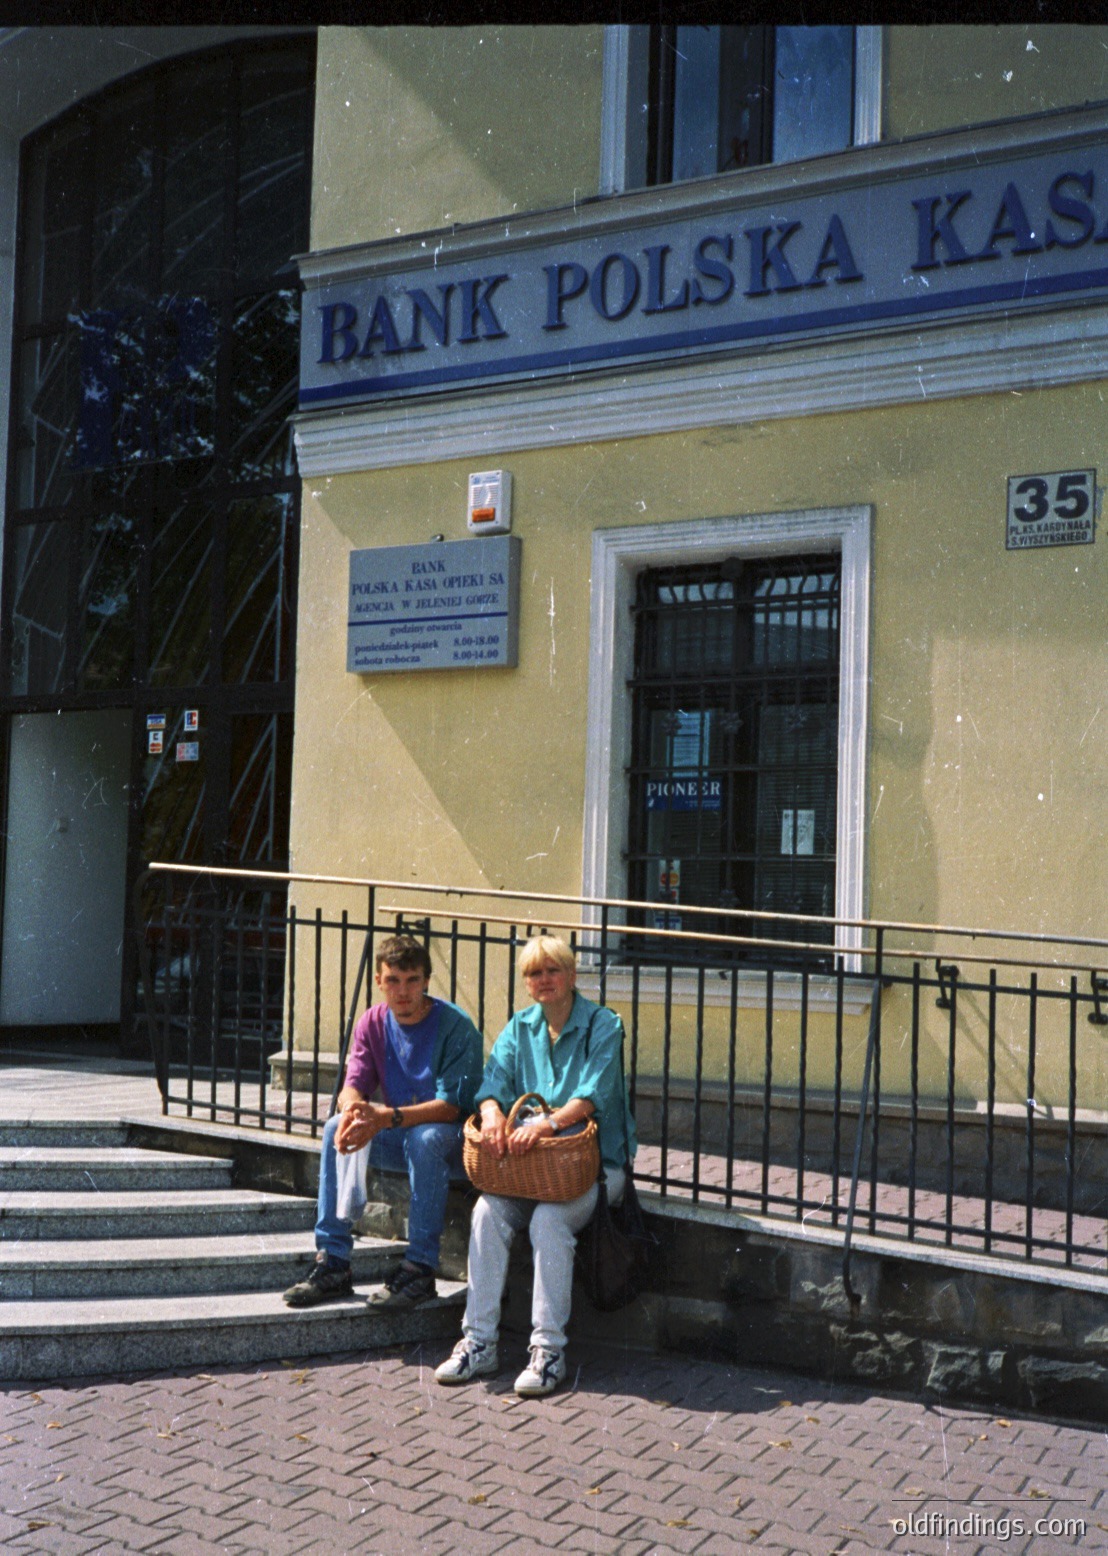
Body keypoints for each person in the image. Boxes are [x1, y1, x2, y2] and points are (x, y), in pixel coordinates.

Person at [435, 935, 636, 1397]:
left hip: (594, 1168)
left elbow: (591, 1097)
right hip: (532, 1170)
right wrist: (490, 1115)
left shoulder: (603, 1024)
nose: (544, 980)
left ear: (570, 975)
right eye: (534, 973)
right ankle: (479, 1343)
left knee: (549, 1220)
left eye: (553, 970)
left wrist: (545, 1125)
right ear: (526, 984)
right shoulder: (520, 1027)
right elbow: (492, 1084)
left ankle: (548, 1352)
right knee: (487, 1212)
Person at [283, 934, 483, 1309]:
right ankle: (333, 1263)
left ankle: (420, 1268)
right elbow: (352, 1085)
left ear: (426, 980)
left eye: (412, 980)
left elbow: (452, 1107)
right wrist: (355, 1111)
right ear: (379, 981)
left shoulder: (455, 1026)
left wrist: (384, 1117)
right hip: (399, 1132)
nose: (402, 991)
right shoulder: (372, 1022)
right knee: (333, 1129)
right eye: (393, 980)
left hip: (456, 1145)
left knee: (425, 1138)